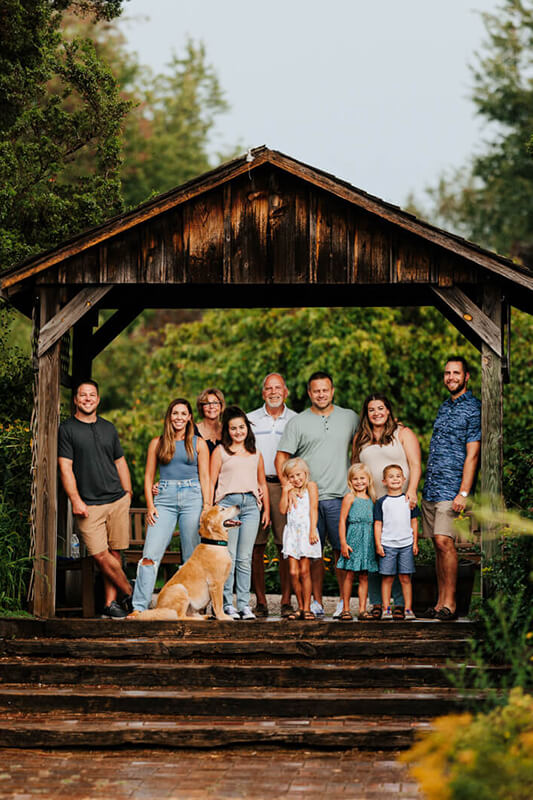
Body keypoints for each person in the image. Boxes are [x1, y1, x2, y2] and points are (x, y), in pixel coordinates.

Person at [275, 371, 359, 618]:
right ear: (309, 393)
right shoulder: (298, 422)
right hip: (306, 500)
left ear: (332, 391)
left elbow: (364, 440)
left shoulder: (350, 417)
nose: (321, 394)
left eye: (325, 389)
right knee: (311, 555)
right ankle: (316, 603)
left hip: (339, 496)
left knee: (341, 552)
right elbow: (282, 458)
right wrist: (287, 488)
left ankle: (344, 605)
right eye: (316, 390)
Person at [58, 380, 134, 619]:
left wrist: (128, 492)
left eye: (92, 395)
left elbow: (119, 462)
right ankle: (132, 593)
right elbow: (65, 468)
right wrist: (76, 500)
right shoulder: (67, 429)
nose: (87, 398)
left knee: (115, 553)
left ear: (98, 399)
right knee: (99, 554)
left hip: (116, 499)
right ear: (76, 400)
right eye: (83, 395)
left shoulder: (109, 428)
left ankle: (111, 604)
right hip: (88, 504)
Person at [131, 398, 211, 613]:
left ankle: (194, 608)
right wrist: (150, 506)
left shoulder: (198, 443)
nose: (179, 418)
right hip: (164, 500)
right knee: (149, 556)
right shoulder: (157, 443)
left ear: (189, 417)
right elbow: (148, 477)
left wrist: (206, 506)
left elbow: (205, 477)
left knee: (191, 558)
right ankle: (138, 608)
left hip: (193, 497)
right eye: (175, 413)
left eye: (183, 413)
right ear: (169, 417)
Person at [352, 393, 422, 620]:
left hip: (398, 502)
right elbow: (355, 469)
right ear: (367, 413)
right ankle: (377, 603)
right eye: (371, 409)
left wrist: (411, 490)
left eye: (381, 408)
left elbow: (415, 464)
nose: (377, 413)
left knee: (399, 549)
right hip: (371, 502)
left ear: (388, 410)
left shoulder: (403, 433)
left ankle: (400, 603)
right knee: (374, 551)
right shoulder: (360, 438)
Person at [421, 356, 481, 621]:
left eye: (456, 373)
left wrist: (464, 492)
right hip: (432, 487)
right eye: (447, 373)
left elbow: (473, 454)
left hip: (452, 489)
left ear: (466, 376)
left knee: (446, 542)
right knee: (437, 544)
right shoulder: (445, 407)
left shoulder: (473, 408)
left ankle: (451, 604)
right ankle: (439, 602)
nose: (451, 378)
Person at [210, 406, 270, 620]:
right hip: (228, 507)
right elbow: (211, 481)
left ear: (247, 429)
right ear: (228, 430)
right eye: (233, 428)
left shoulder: (255, 453)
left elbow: (262, 482)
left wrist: (267, 511)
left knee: (245, 558)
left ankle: (244, 604)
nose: (238, 432)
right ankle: (227, 604)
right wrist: (210, 508)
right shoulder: (221, 451)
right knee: (230, 557)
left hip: (251, 507)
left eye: (241, 427)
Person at [247, 373, 297, 618]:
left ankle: (287, 600)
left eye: (278, 388)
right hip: (256, 485)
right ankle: (261, 601)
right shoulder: (250, 420)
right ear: (262, 392)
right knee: (256, 546)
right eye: (269, 388)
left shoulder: (297, 420)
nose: (274, 392)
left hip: (284, 486)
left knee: (284, 545)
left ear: (286, 391)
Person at [374, 464, 420, 620]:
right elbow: (378, 524)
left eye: (398, 476)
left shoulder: (409, 500)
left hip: (406, 545)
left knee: (405, 578)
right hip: (388, 545)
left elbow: (414, 522)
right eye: (391, 476)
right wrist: (378, 544)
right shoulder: (381, 502)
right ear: (384, 481)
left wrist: (414, 543)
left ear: (404, 479)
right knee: (387, 577)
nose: (395, 479)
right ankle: (386, 609)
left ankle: (408, 609)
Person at [280, 458, 321, 620]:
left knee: (305, 571)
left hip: (306, 533)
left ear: (306, 473)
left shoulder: (311, 487)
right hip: (292, 534)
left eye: (298, 475)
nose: (296, 479)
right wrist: (285, 491)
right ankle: (299, 606)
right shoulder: (289, 491)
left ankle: (306, 608)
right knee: (293, 572)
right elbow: (283, 510)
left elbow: (313, 509)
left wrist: (312, 530)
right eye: (291, 476)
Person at [337, 463, 378, 621]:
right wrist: (343, 542)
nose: (359, 481)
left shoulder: (372, 499)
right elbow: (342, 521)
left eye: (362, 478)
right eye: (355, 479)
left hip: (367, 540)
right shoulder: (350, 497)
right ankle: (345, 609)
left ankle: (362, 609)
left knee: (364, 576)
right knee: (349, 574)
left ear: (368, 480)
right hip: (353, 538)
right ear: (350, 481)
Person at [195, 387, 225, 454]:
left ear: (221, 405)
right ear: (201, 407)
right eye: (207, 403)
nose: (211, 406)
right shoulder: (191, 431)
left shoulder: (228, 430)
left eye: (215, 403)